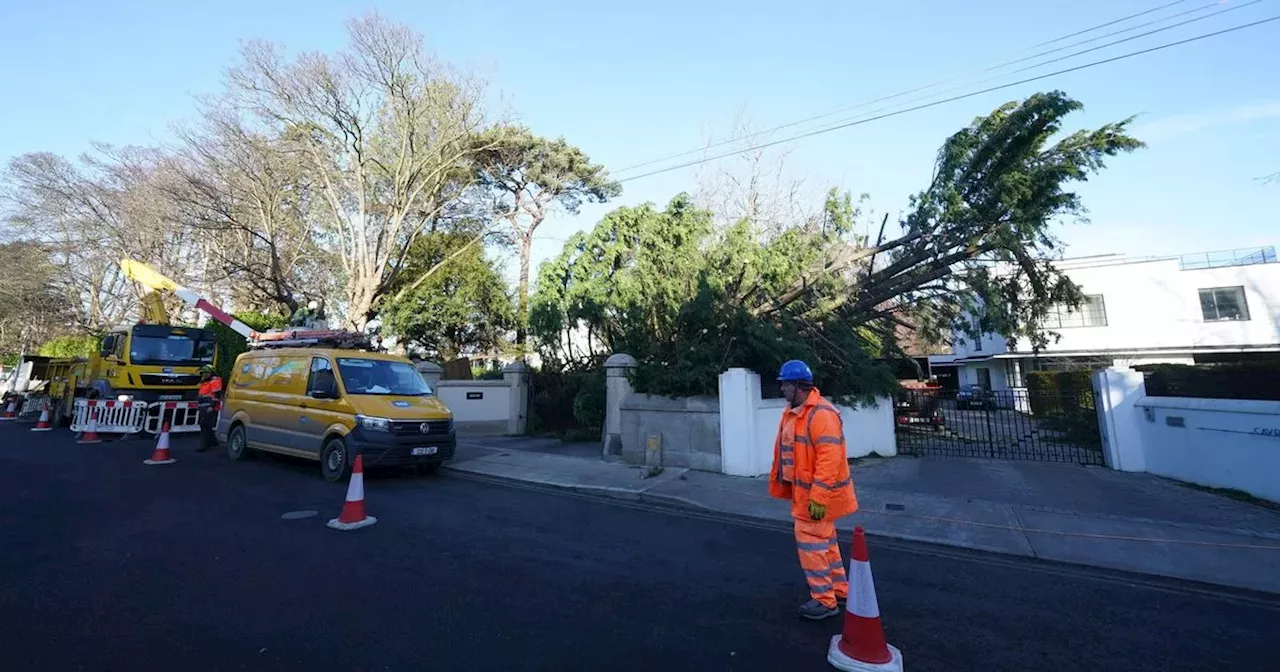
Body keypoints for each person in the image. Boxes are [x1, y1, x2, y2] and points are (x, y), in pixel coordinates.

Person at [768, 359, 860, 621]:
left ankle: (824, 599)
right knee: (826, 544)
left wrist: (818, 498)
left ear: (799, 386)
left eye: (785, 384)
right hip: (806, 495)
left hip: (816, 499)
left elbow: (829, 461)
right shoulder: (796, 413)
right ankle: (840, 591)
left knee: (812, 547)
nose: (782, 389)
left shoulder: (821, 414)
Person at [195, 364, 224, 453]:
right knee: (206, 425)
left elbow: (217, 395)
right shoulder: (205, 382)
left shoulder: (214, 381)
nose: (204, 375)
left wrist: (212, 406)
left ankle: (203, 445)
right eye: (203, 373)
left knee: (204, 425)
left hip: (209, 407)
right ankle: (213, 442)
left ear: (211, 373)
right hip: (204, 407)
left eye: (206, 373)